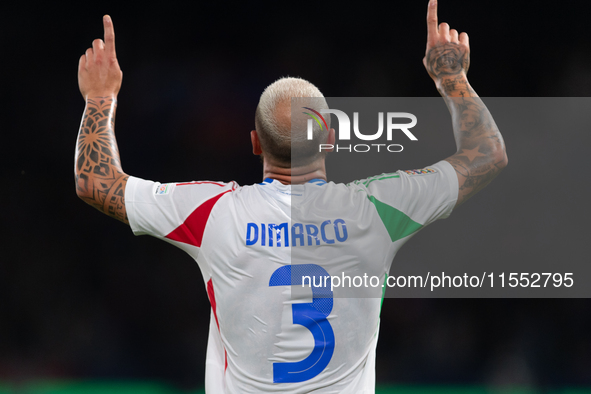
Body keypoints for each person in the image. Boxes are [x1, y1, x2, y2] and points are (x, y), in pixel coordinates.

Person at [74, 1, 507, 392]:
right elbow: (486, 155)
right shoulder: (379, 210)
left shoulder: (213, 214)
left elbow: (97, 182)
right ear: (331, 139)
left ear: (255, 143)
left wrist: (100, 97)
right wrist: (452, 78)